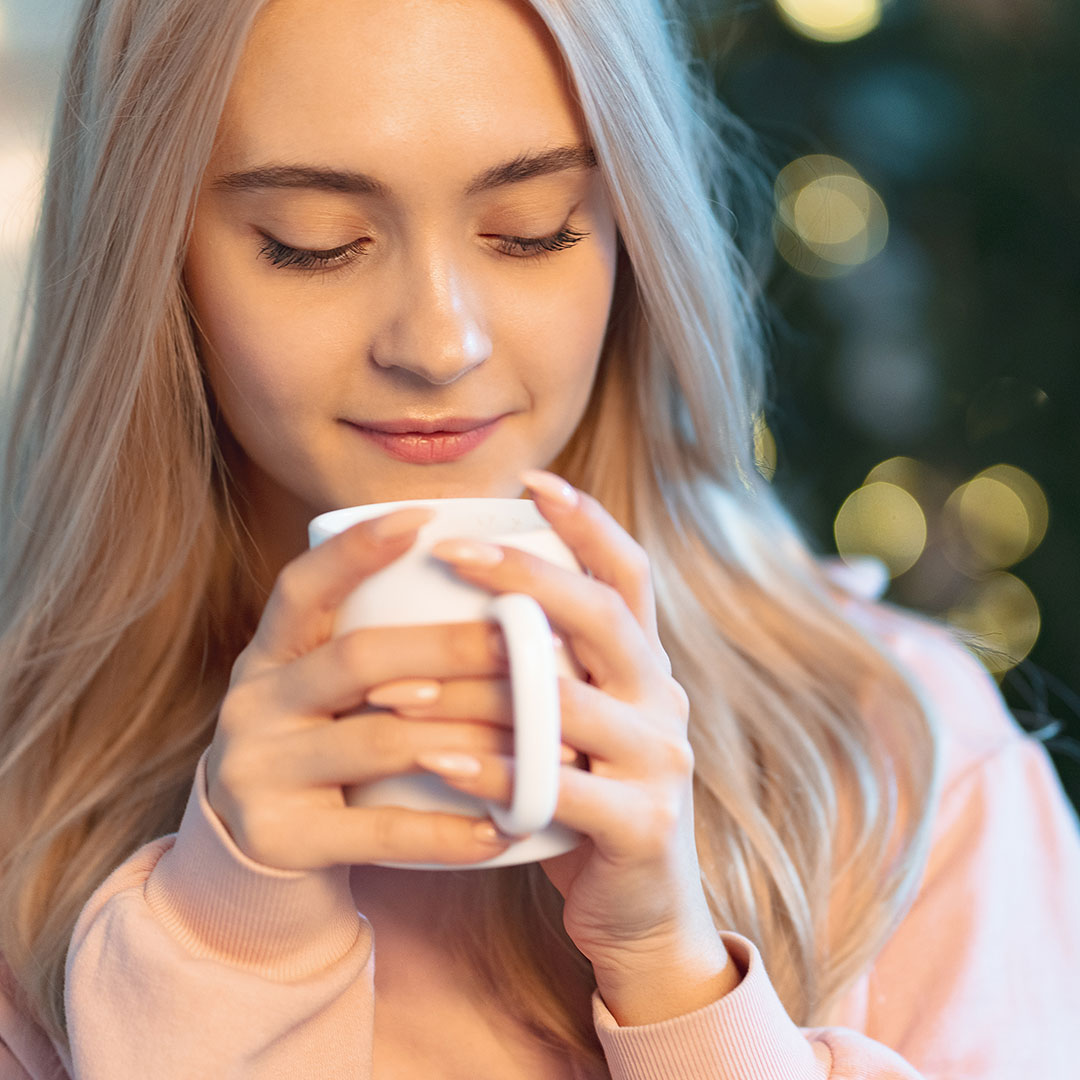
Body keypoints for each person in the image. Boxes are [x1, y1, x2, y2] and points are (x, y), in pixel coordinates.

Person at [1, 0, 1078, 1076]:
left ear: (632, 232)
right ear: (151, 258)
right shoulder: (28, 813)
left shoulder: (900, 757)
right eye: (311, 243)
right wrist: (222, 955)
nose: (440, 344)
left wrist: (680, 989)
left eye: (534, 228)